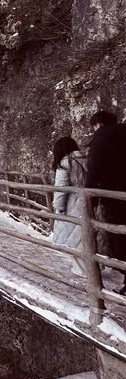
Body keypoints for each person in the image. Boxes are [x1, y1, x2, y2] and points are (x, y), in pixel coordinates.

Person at [87, 110, 126, 291]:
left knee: (120, 238)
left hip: (114, 197)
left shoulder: (100, 139)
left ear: (98, 124)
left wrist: (90, 199)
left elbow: (94, 170)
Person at [52, 136, 86, 277]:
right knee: (87, 236)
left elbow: (61, 188)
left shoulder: (66, 162)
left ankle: (83, 271)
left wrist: (58, 207)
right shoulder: (88, 157)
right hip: (93, 202)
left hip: (73, 205)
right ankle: (95, 266)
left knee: (73, 239)